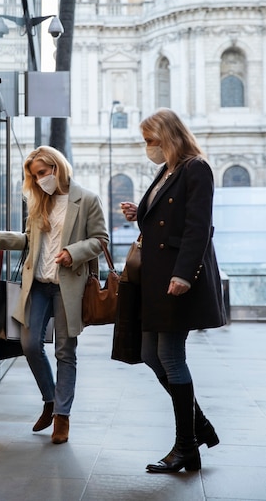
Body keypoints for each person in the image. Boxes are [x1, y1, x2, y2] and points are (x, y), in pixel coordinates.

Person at [0, 145, 108, 444]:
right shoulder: (38, 203)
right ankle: (50, 399)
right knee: (30, 345)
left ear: (57, 167)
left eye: (43, 172)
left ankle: (62, 417)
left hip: (69, 286)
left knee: (65, 352)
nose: (40, 179)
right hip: (39, 285)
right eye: (35, 175)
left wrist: (73, 252)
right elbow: (28, 241)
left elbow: (100, 240)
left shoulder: (87, 199)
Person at [121, 109, 226, 473]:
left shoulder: (195, 168)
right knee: (151, 354)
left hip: (176, 278)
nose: (148, 146)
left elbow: (199, 227)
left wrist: (183, 274)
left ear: (169, 136)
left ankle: (186, 447)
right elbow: (166, 215)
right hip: (155, 278)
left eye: (151, 139)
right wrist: (140, 212)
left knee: (169, 356)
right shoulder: (166, 170)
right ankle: (199, 428)